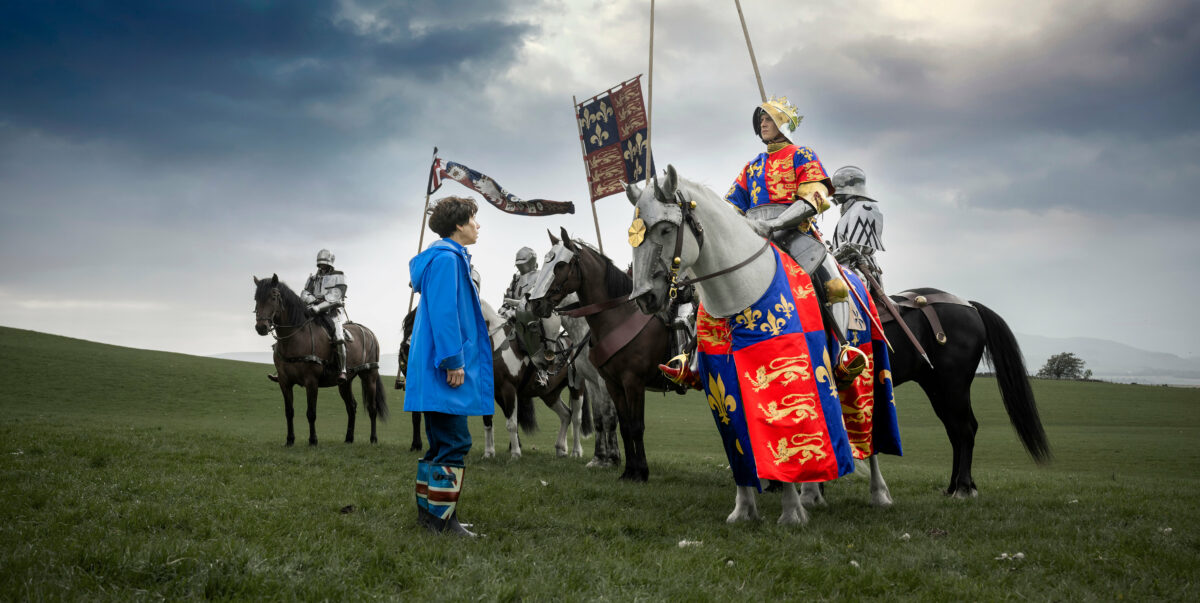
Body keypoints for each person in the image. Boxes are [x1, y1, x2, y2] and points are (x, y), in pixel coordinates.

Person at [658, 95, 866, 387]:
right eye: (761, 120)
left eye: (768, 119)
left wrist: (777, 223)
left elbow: (815, 196)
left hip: (795, 234)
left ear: (784, 123)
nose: (763, 124)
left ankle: (843, 351)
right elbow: (732, 208)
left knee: (834, 283)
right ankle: (692, 359)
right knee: (706, 287)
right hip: (753, 235)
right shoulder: (752, 166)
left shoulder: (802, 155)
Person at [404, 196, 494, 537]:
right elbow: (445, 314)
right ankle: (443, 522)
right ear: (459, 224)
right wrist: (453, 361)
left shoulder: (446, 258)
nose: (478, 225)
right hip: (444, 369)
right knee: (455, 443)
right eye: (474, 218)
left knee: (439, 445)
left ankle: (431, 519)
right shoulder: (446, 260)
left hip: (435, 369)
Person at [268, 248, 350, 384]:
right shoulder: (313, 278)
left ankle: (342, 370)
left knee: (339, 338)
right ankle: (283, 369)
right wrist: (312, 302)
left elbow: (336, 296)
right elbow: (304, 293)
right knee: (293, 330)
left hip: (332, 312)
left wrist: (319, 306)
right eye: (320, 263)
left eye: (324, 263)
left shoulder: (339, 276)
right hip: (312, 309)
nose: (322, 266)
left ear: (329, 263)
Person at [830, 165, 885, 290]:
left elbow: (853, 247)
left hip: (857, 270)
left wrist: (828, 258)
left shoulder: (865, 207)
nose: (835, 195)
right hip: (842, 266)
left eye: (840, 189)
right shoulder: (850, 210)